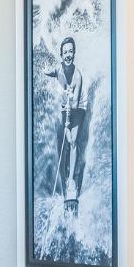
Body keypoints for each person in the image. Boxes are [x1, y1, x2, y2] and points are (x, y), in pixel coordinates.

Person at [51, 36, 89, 213]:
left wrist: (67, 122)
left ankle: (72, 180)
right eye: (65, 52)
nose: (68, 54)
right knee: (66, 139)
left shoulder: (78, 76)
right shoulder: (59, 70)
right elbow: (52, 72)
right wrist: (46, 72)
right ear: (61, 55)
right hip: (65, 106)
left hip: (78, 106)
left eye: (71, 51)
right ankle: (66, 170)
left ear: (74, 53)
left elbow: (73, 106)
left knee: (72, 140)